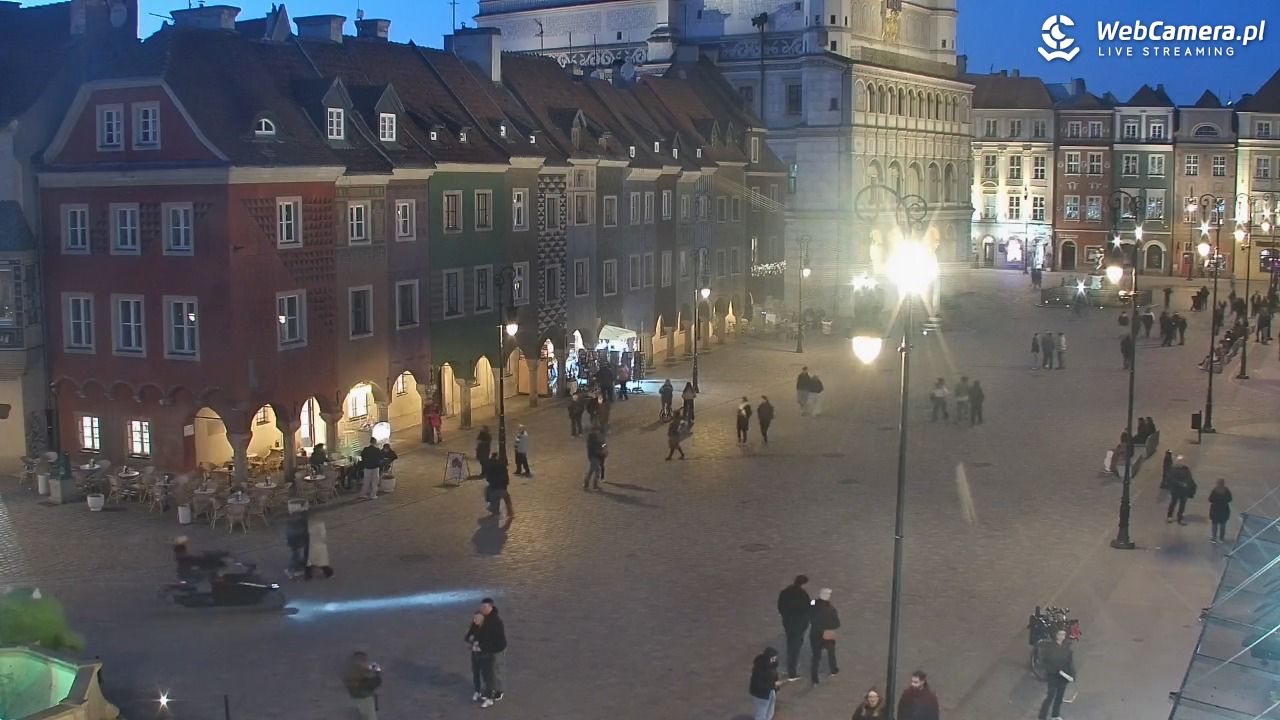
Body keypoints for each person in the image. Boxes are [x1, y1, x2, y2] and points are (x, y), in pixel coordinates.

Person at [776, 575, 811, 681]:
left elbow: (780, 606)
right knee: (795, 647)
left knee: (791, 643)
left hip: (788, 622)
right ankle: (792, 672)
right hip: (798, 625)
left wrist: (785, 616)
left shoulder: (785, 592)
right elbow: (807, 607)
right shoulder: (802, 594)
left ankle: (790, 665)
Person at [1038, 628, 1075, 720]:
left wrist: (1072, 674)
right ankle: (1042, 717)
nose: (1061, 637)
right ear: (1055, 635)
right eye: (1059, 634)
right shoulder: (1049, 647)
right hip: (1053, 676)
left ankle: (1055, 715)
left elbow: (1070, 662)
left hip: (1063, 677)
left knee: (1059, 696)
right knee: (1050, 696)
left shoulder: (1066, 647)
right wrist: (1056, 671)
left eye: (1063, 634)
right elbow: (1045, 662)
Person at [476, 598, 507, 707]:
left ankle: (498, 692)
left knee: (495, 671)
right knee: (486, 672)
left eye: (485, 607)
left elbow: (495, 639)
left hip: (495, 650)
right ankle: (490, 690)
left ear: (490, 607)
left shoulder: (495, 621)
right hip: (486, 649)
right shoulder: (484, 618)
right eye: (482, 607)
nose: (482, 609)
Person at [809, 587, 840, 684]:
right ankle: (833, 669)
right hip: (827, 635)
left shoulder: (814, 603)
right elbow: (837, 624)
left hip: (814, 633)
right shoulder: (831, 609)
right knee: (831, 653)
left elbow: (809, 606)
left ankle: (814, 677)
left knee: (816, 656)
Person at [343, 651, 382, 720]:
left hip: (354, 698)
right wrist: (377, 673)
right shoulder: (360, 673)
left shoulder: (350, 671)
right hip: (365, 699)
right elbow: (374, 683)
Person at [748, 647, 782, 720]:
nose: (775, 660)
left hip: (770, 691)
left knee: (770, 710)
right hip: (760, 695)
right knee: (761, 713)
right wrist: (773, 685)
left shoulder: (771, 665)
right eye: (773, 658)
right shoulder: (759, 668)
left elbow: (773, 675)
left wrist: (775, 684)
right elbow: (759, 685)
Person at [1167, 455, 1197, 525]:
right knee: (1173, 503)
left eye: (1182, 461)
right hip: (1176, 490)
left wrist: (1190, 485)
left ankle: (1180, 517)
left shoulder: (1186, 470)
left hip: (1184, 491)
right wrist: (1181, 484)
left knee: (1182, 505)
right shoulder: (1173, 470)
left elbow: (1189, 479)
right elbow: (1172, 479)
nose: (1181, 463)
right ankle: (1170, 515)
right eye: (1180, 461)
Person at [465, 612, 487, 702]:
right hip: (475, 654)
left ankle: (487, 693)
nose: (474, 621)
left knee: (485, 674)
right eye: (474, 619)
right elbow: (467, 637)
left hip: (485, 655)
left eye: (476, 619)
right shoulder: (473, 627)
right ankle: (477, 691)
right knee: (476, 673)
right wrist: (470, 640)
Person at [484, 453, 514, 518]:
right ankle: (510, 512)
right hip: (502, 487)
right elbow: (506, 478)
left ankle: (494, 510)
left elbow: (488, 479)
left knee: (492, 495)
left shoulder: (490, 467)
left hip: (494, 488)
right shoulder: (502, 466)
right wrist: (505, 484)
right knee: (507, 498)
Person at [305, 513, 332, 579]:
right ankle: (328, 573)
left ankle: (308, 576)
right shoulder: (320, 523)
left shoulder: (307, 523)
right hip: (319, 544)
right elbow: (323, 536)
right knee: (322, 560)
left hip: (311, 543)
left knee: (309, 560)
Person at [285, 506, 309, 579]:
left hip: (293, 541)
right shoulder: (301, 523)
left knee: (295, 555)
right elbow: (301, 533)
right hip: (295, 542)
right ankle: (291, 571)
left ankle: (295, 569)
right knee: (295, 556)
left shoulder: (296, 521)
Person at [1209, 478, 1233, 543]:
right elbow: (1230, 499)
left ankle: (1214, 537)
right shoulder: (1226, 490)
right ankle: (1221, 538)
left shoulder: (1214, 490)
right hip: (1224, 509)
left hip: (1215, 509)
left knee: (1214, 525)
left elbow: (1210, 499)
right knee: (1223, 525)